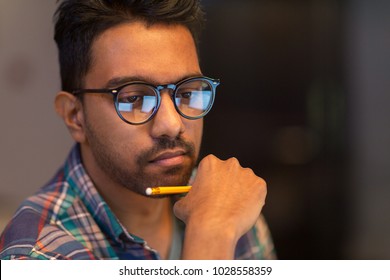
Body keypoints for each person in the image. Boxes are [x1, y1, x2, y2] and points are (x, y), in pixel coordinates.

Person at [0, 0, 276, 260]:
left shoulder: (226, 205)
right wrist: (211, 235)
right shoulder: (37, 253)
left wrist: (218, 221)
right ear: (75, 116)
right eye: (134, 98)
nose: (172, 124)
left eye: (188, 92)